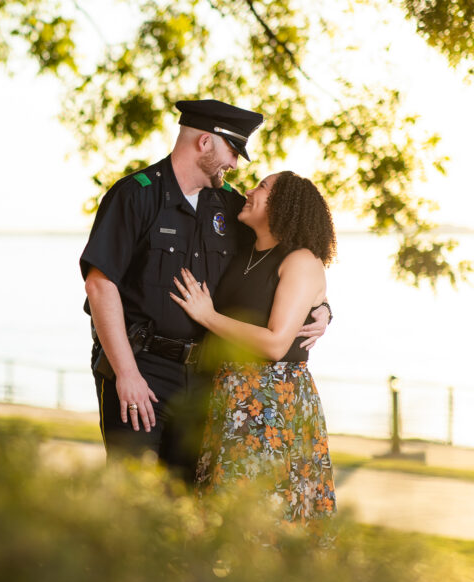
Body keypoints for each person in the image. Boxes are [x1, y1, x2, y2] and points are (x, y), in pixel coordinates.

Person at [79, 99, 329, 483]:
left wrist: (323, 307)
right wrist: (126, 373)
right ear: (205, 143)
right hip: (142, 370)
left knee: (188, 502)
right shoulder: (136, 195)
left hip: (207, 382)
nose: (236, 165)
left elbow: (283, 260)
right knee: (135, 496)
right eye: (233, 150)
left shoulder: (231, 207)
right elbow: (100, 284)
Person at [170, 171, 337, 524]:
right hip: (231, 396)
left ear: (284, 205)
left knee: (266, 514)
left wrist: (208, 316)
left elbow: (277, 343)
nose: (249, 190)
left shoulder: (301, 261)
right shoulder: (244, 253)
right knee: (225, 513)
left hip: (274, 402)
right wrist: (325, 308)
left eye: (262, 187)